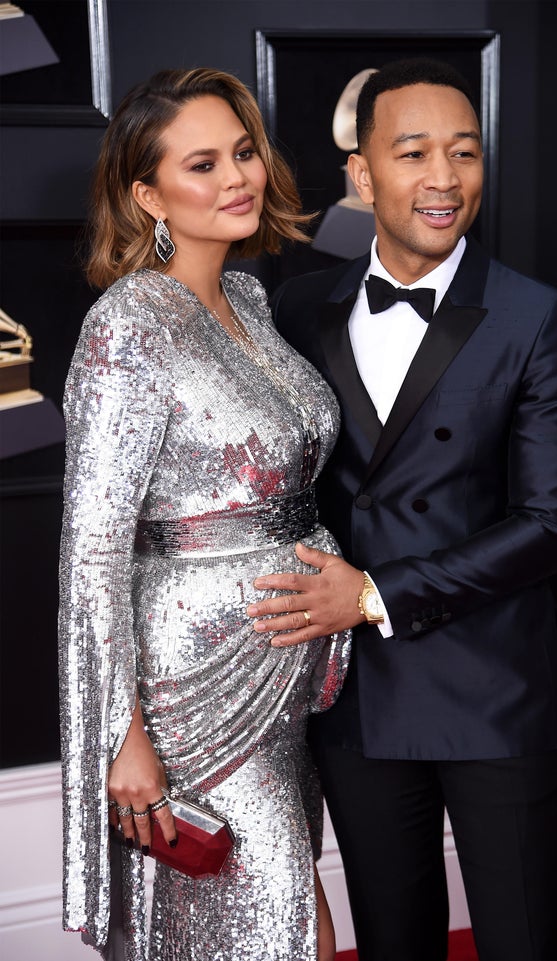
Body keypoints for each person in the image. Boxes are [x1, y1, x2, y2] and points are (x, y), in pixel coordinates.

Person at [246, 58, 557, 961]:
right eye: (414, 153)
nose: (444, 178)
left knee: (525, 940)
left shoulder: (540, 318)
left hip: (498, 690)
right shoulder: (299, 307)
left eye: (465, 153)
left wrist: (372, 595)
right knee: (393, 936)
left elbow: (552, 524)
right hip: (358, 697)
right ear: (363, 174)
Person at [58, 67, 350, 961]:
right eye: (202, 164)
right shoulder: (129, 323)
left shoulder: (252, 301)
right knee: (283, 927)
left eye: (245, 151)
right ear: (147, 194)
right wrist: (123, 737)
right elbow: (92, 552)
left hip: (284, 668)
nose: (238, 178)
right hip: (191, 693)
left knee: (276, 918)